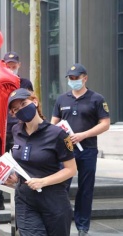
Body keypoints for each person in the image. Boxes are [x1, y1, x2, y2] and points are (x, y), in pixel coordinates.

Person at [5, 88, 77, 236]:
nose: (21, 110)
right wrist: (14, 176)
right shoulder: (16, 130)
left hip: (53, 200)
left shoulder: (57, 134)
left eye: (24, 104)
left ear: (35, 101)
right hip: (25, 200)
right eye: (15, 109)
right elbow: (20, 161)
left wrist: (43, 181)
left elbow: (71, 169)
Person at [51, 63, 110, 236]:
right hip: (66, 150)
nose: (73, 81)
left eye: (76, 78)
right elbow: (54, 123)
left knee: (85, 188)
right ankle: (60, 221)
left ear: (85, 78)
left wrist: (83, 135)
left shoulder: (96, 99)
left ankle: (82, 226)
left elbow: (105, 124)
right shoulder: (62, 99)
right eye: (71, 78)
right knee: (61, 186)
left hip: (87, 150)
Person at [0, 51, 33, 211]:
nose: (11, 69)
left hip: (20, 129)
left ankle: (23, 199)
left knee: (21, 164)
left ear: (19, 65)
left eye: (14, 66)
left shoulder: (25, 83)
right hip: (0, 130)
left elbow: (30, 102)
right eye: (8, 66)